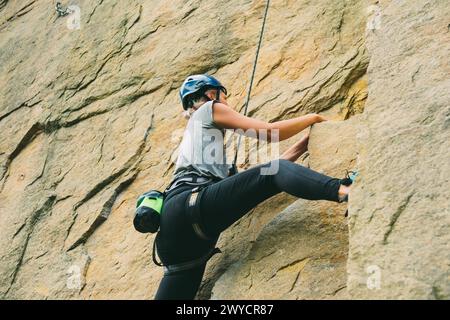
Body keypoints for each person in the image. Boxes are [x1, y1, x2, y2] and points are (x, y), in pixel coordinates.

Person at [154, 74, 352, 300]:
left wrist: (301, 146)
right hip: (192, 205)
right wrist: (313, 117)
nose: (226, 104)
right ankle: (347, 190)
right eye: (224, 97)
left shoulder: (201, 147)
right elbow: (271, 133)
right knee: (275, 171)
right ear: (211, 94)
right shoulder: (210, 108)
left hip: (175, 237)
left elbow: (263, 176)